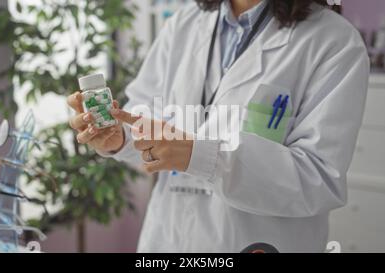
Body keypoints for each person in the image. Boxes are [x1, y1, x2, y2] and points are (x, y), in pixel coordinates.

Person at [67, 0, 369, 252]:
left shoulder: (334, 41)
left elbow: (318, 179)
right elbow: (144, 116)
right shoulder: (185, 23)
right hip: (169, 240)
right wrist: (118, 137)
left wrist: (202, 156)